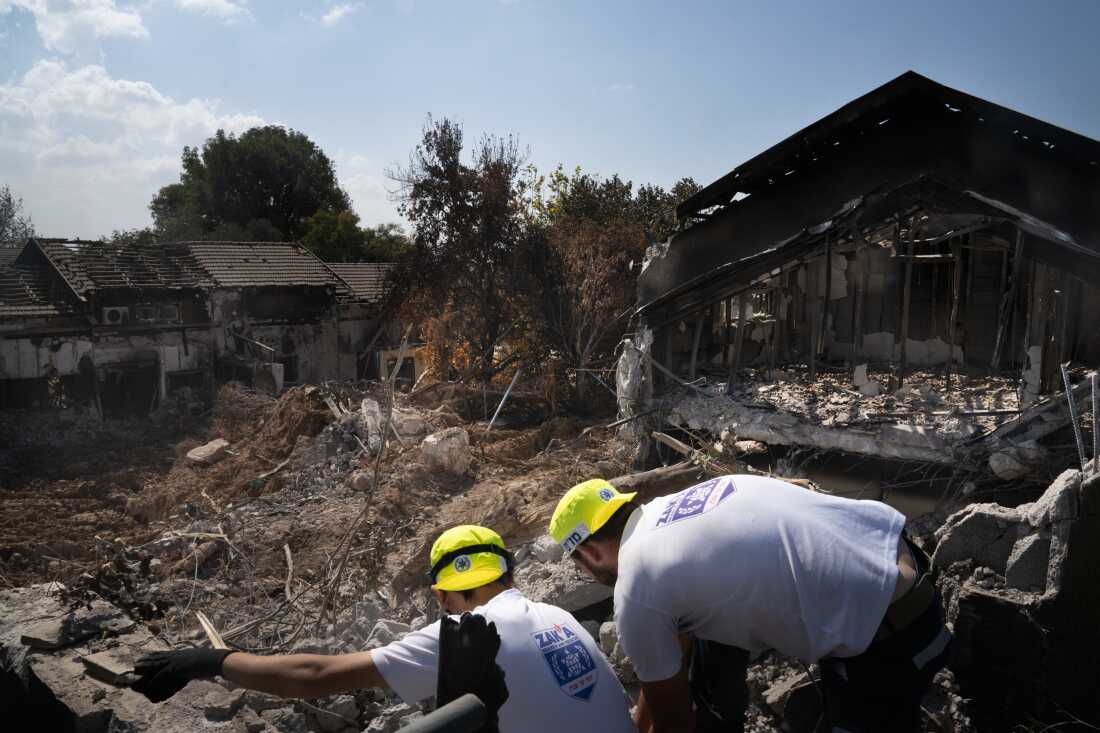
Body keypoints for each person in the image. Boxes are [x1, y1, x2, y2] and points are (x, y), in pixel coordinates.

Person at [131, 525, 638, 733]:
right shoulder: (563, 616)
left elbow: (314, 673)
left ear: (441, 596)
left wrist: (208, 660)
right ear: (510, 574)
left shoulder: (467, 631)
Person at [549, 476, 952, 733]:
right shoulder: (683, 506)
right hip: (910, 570)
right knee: (710, 643)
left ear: (588, 554)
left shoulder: (635, 587)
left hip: (890, 639)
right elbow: (675, 654)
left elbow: (675, 722)